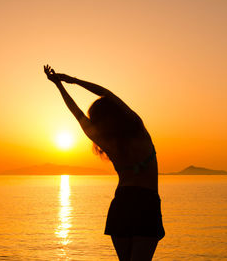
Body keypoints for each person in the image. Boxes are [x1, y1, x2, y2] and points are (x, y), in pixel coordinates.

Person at [44, 65, 165, 261]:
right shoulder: (139, 130)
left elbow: (77, 114)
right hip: (146, 204)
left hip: (122, 204)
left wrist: (59, 85)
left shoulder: (107, 142)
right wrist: (73, 80)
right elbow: (106, 93)